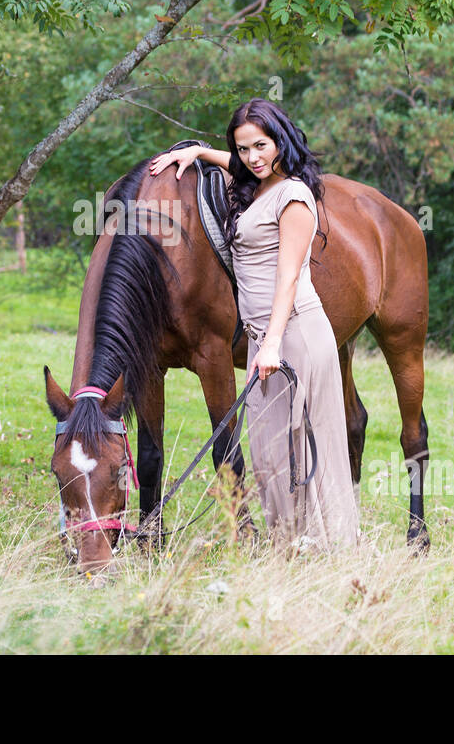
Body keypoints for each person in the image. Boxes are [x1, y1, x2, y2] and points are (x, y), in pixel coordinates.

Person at [149, 98, 361, 554]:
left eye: (261, 146)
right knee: (270, 453)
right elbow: (239, 166)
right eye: (243, 149)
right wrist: (200, 153)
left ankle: (330, 551)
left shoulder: (296, 197)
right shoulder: (256, 187)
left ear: (281, 141)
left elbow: (288, 277)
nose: (253, 157)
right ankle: (288, 547)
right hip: (267, 339)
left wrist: (272, 344)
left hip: (296, 335)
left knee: (305, 447)